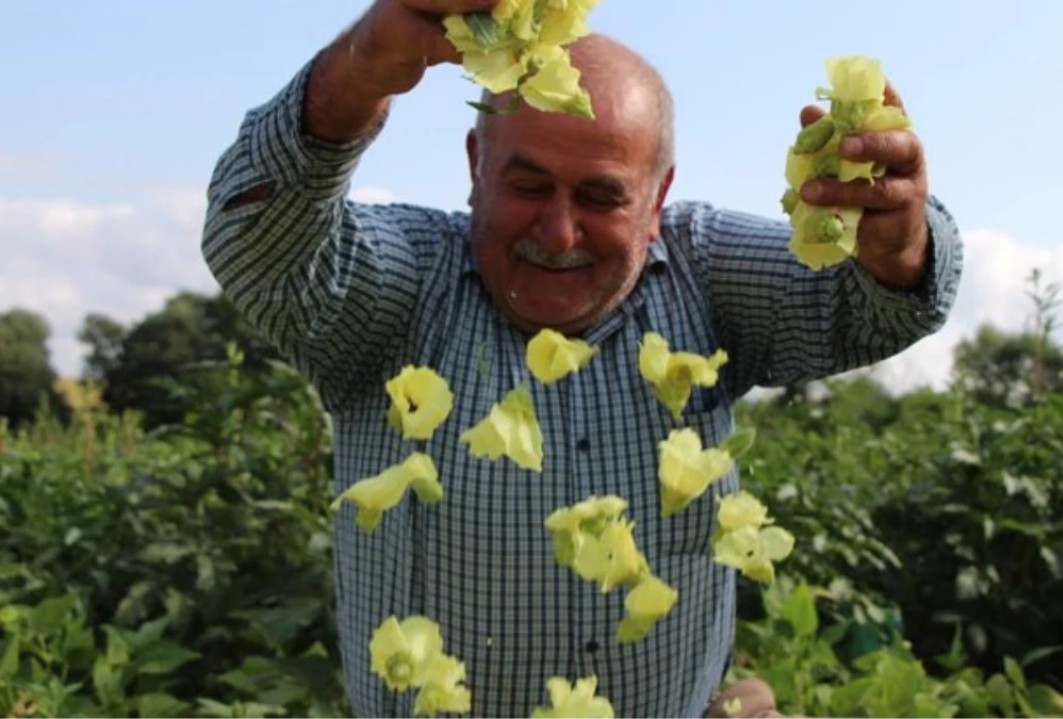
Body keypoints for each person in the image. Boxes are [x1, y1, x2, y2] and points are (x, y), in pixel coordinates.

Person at [200, 0, 963, 715]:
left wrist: (899, 246)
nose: (559, 233)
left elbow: (875, 309)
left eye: (601, 198)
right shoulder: (400, 290)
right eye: (528, 185)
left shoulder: (705, 270)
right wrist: (367, 62)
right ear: (475, 167)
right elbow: (254, 243)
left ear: (658, 198)